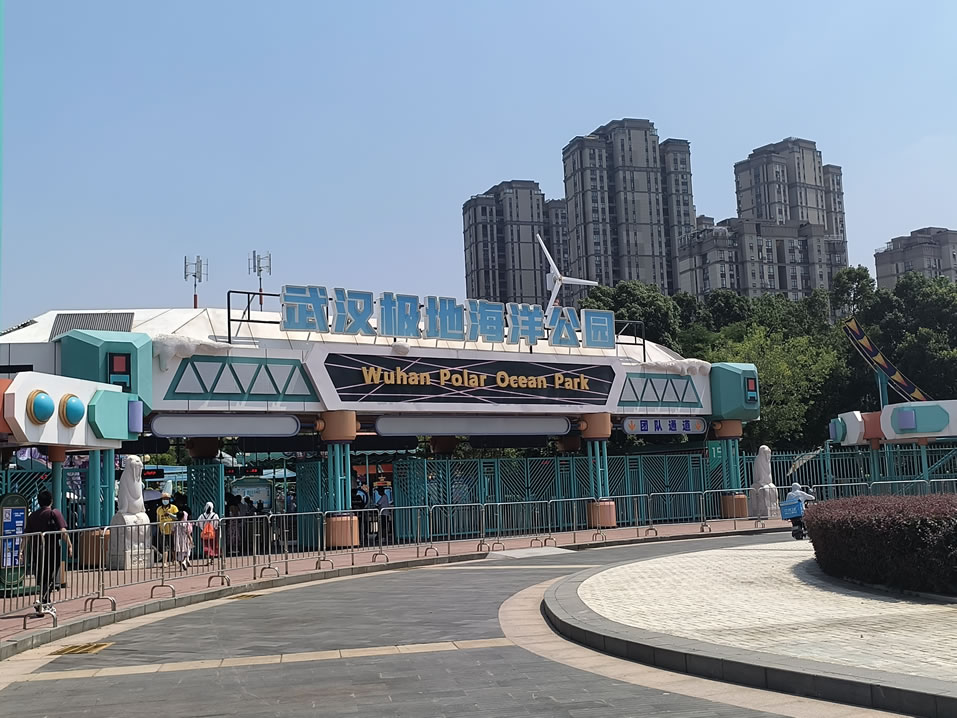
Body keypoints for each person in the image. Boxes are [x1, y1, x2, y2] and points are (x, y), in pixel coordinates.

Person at [21, 490, 73, 616]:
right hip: (52, 549)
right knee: (50, 576)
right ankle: (43, 602)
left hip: (37, 551)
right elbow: (63, 530)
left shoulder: (33, 516)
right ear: (51, 501)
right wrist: (70, 545)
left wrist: (21, 551)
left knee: (42, 577)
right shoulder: (54, 513)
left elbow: (26, 536)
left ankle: (45, 601)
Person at [156, 492, 179, 564]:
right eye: (163, 499)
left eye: (166, 499)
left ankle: (174, 560)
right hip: (163, 531)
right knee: (165, 547)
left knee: (173, 546)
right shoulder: (159, 509)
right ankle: (165, 562)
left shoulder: (174, 508)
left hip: (172, 531)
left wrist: (169, 514)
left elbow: (177, 518)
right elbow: (158, 520)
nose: (165, 500)